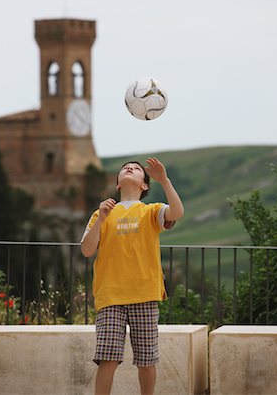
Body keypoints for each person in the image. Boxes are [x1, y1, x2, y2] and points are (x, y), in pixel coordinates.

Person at [80, 157, 184, 395]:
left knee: (147, 361)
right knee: (107, 358)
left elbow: (177, 211)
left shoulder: (151, 211)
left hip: (145, 294)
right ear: (118, 183)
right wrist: (102, 219)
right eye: (125, 167)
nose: (130, 168)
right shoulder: (101, 213)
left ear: (144, 185)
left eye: (137, 169)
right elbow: (86, 250)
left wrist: (164, 180)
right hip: (110, 296)